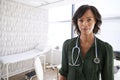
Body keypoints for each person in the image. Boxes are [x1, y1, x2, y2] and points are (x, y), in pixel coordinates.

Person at [59, 4, 114, 80]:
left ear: (95, 21)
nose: (84, 24)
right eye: (81, 20)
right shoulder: (67, 45)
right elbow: (63, 73)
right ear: (77, 22)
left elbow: (108, 78)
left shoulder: (106, 49)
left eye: (89, 20)